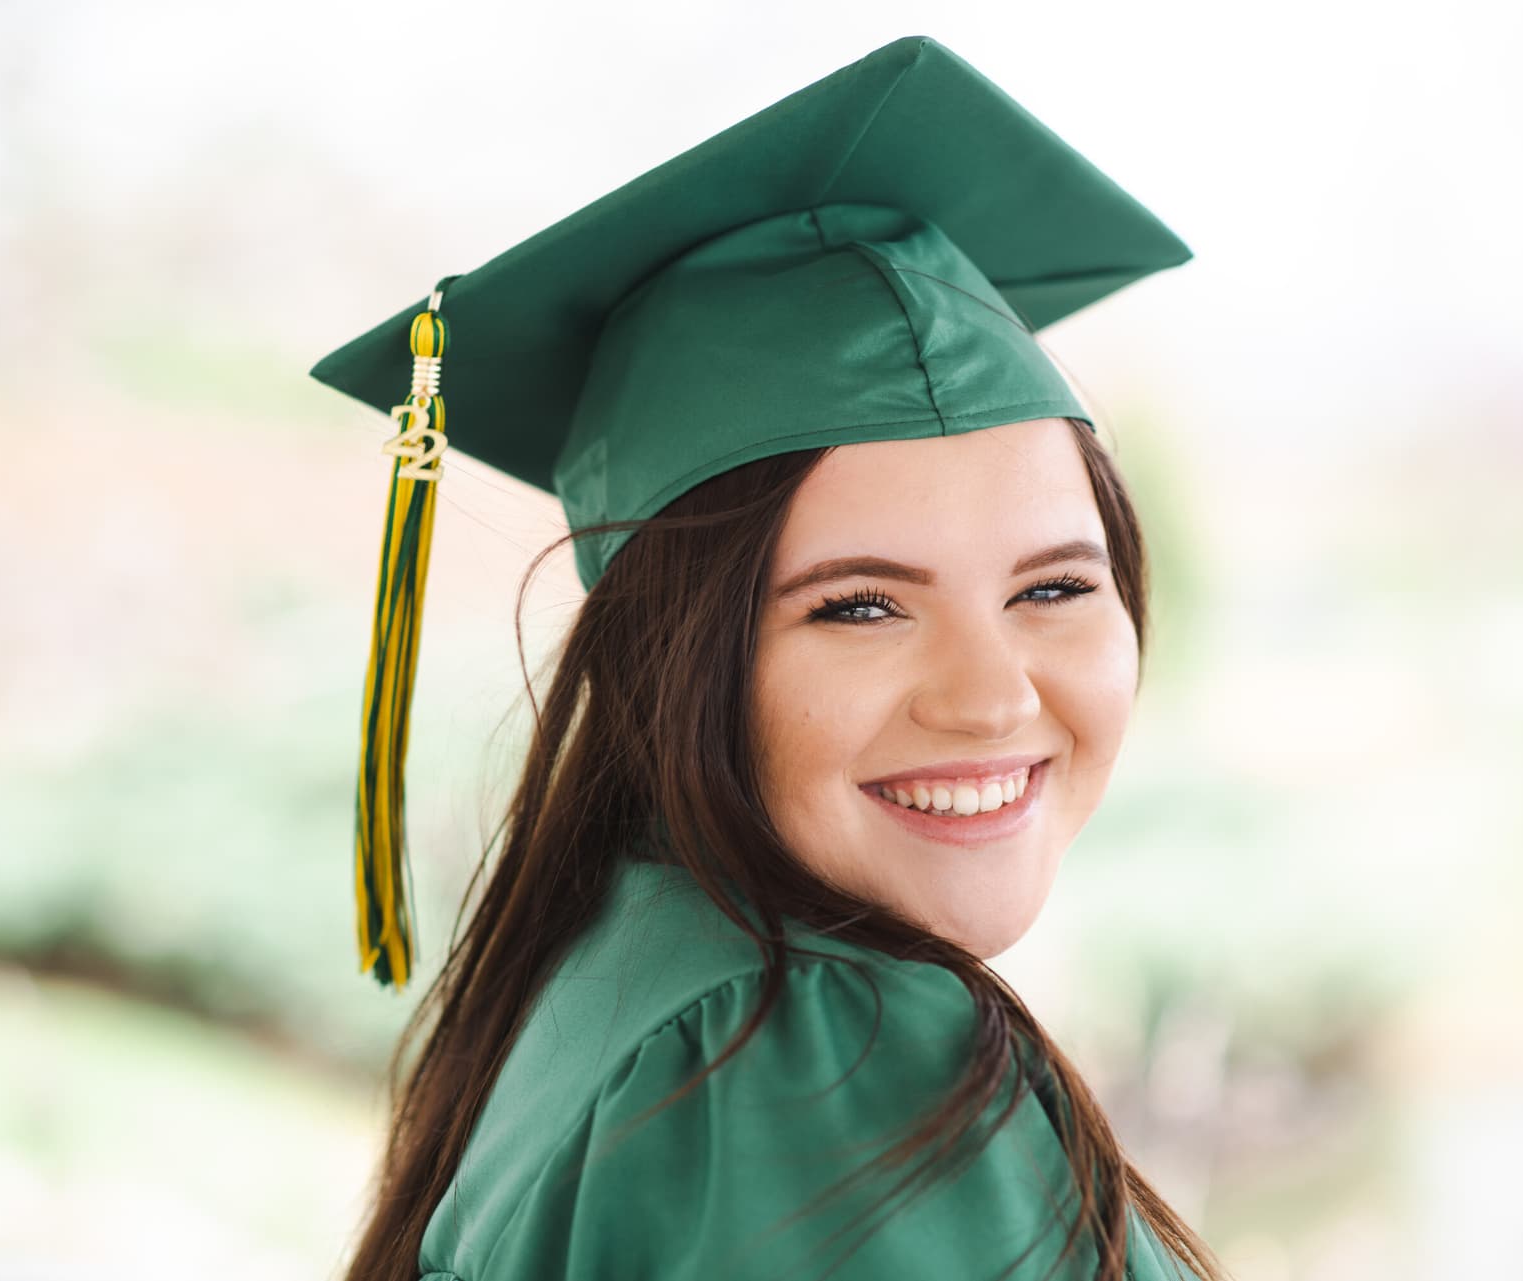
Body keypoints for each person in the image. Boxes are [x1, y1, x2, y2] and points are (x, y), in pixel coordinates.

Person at [309, 33, 1222, 1281]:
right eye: (859, 606)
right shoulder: (811, 1056)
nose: (994, 694)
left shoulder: (628, 975)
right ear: (674, 656)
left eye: (1054, 586)